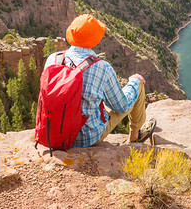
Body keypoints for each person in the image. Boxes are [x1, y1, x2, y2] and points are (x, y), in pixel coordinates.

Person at [43, 13, 155, 146]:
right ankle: (135, 136)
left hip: (54, 134)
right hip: (86, 138)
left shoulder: (53, 59)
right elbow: (122, 106)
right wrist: (134, 81)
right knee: (137, 86)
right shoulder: (102, 67)